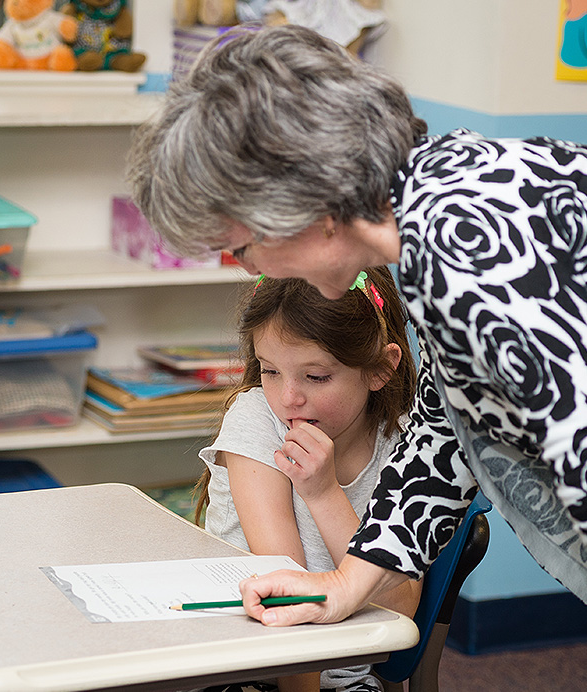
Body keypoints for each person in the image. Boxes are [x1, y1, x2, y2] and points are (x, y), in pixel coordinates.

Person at [127, 24, 587, 628]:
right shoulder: (434, 208)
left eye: (241, 246)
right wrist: (348, 583)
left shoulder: (461, 249)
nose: (253, 269)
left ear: (296, 204)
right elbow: (443, 433)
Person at [193, 268, 421, 692]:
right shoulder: (257, 420)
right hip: (250, 670)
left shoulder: (407, 444)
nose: (288, 398)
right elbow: (287, 602)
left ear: (379, 369)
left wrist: (323, 492)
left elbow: (400, 605)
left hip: (349, 678)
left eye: (316, 377)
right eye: (270, 370)